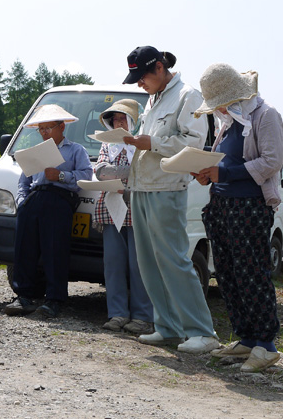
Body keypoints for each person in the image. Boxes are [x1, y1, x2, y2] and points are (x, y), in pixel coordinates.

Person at [121, 46, 219, 354]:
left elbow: (193, 142)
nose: (140, 84)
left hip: (167, 188)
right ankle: (167, 327)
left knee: (175, 261)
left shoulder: (188, 96)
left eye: (143, 77)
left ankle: (202, 331)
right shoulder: (154, 98)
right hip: (142, 187)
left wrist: (153, 142)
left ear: (160, 68)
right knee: (149, 263)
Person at [191, 63, 283, 372]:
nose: (216, 107)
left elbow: (271, 162)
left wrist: (224, 172)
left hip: (250, 206)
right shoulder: (229, 119)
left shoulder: (265, 115)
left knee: (252, 273)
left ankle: (266, 345)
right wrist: (208, 175)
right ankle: (246, 337)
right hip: (222, 204)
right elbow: (225, 160)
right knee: (228, 273)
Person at [4, 104, 93, 318]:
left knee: (55, 250)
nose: (44, 133)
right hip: (35, 199)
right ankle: (23, 295)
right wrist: (23, 201)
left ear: (62, 127)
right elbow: (23, 181)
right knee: (24, 247)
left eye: (48, 128)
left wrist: (61, 176)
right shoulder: (36, 151)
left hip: (58, 199)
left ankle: (53, 299)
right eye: (41, 129)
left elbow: (86, 177)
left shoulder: (75, 150)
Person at [94, 99, 153, 334]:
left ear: (133, 122)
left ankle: (142, 316)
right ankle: (117, 313)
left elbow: (144, 171)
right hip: (111, 209)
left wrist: (119, 178)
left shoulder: (142, 145)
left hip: (137, 209)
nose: (118, 123)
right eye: (115, 119)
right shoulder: (107, 146)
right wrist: (124, 177)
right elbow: (100, 171)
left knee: (139, 265)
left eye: (122, 119)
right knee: (113, 264)